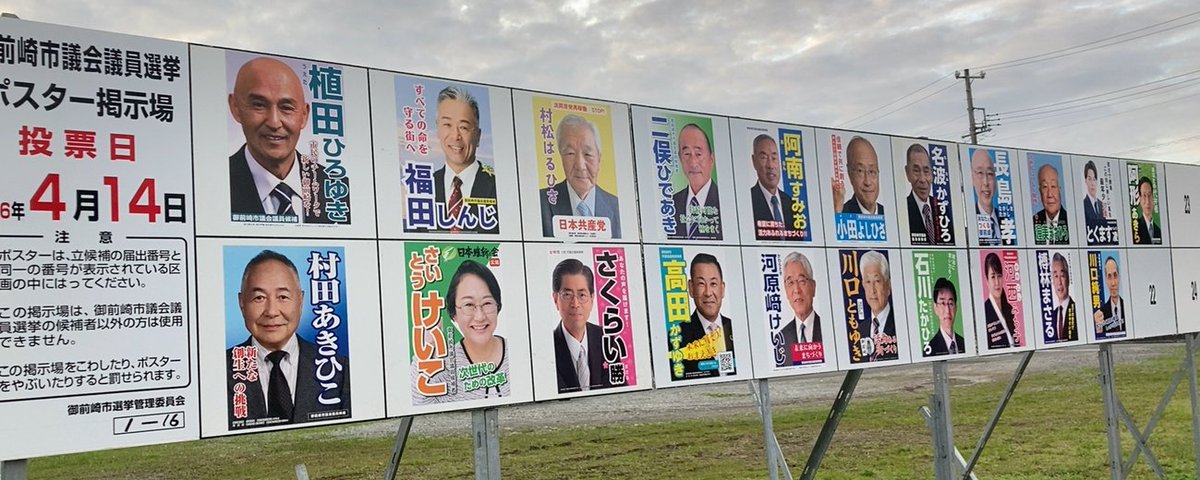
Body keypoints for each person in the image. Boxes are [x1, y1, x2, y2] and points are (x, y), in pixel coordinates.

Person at [226, 250, 350, 428]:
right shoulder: (218, 370)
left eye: (283, 297)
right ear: (242, 303)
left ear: (300, 300)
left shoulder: (339, 368)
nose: (271, 311)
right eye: (259, 298)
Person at [227, 57, 342, 224]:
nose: (274, 122)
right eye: (259, 105)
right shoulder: (213, 186)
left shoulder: (338, 189)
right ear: (235, 107)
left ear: (304, 115)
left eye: (286, 108)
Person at [412, 260, 508, 404]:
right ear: (454, 313)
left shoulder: (518, 354)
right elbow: (418, 401)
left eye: (487, 303)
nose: (480, 316)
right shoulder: (443, 365)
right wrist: (428, 346)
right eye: (468, 305)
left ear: (498, 306)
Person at [539, 115, 622, 238]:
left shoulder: (617, 206)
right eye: (570, 153)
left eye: (588, 154)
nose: (580, 165)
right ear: (561, 156)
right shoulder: (541, 202)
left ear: (599, 158)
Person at [431, 86, 497, 233]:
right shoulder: (424, 187)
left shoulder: (498, 186)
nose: (455, 136)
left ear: (478, 136)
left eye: (464, 127)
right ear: (438, 130)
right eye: (447, 125)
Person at [551, 258, 614, 393]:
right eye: (567, 295)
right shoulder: (547, 346)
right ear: (556, 299)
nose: (575, 304)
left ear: (592, 299)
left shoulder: (608, 339)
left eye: (582, 295)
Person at [678, 253, 736, 377]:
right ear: (691, 288)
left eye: (713, 284)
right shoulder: (679, 336)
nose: (708, 292)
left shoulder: (737, 329)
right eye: (701, 284)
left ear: (722, 288)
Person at [672, 124, 722, 240]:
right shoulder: (671, 204)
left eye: (698, 154)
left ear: (711, 159)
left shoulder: (725, 202)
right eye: (687, 154)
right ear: (680, 159)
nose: (693, 162)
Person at [778, 252, 821, 367]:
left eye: (802, 281)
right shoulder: (780, 338)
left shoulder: (828, 329)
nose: (796, 290)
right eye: (790, 282)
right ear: (786, 291)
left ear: (813, 286)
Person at [749, 134, 795, 237]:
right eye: (764, 157)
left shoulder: (791, 203)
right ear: (754, 161)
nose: (770, 165)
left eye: (774, 158)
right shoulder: (748, 200)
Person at [859, 251, 896, 361]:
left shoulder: (900, 324)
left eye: (877, 281)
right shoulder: (860, 330)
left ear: (888, 285)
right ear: (863, 285)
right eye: (868, 282)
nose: (873, 290)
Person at [833, 136, 884, 215]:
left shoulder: (889, 214)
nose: (867, 182)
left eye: (872, 171)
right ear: (849, 173)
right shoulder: (842, 214)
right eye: (860, 171)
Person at [903, 143, 941, 243]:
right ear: (907, 173)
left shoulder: (943, 208)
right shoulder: (903, 209)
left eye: (926, 171)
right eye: (916, 171)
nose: (922, 179)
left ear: (932, 174)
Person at [982, 253, 1018, 349]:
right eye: (993, 277)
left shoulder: (1009, 309)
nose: (997, 282)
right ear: (987, 281)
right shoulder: (984, 312)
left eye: (999, 276)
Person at [924, 278, 965, 356]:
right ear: (935, 308)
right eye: (942, 303)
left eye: (950, 303)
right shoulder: (929, 350)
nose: (947, 310)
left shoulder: (965, 344)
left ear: (956, 308)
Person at [1032, 164, 1069, 244]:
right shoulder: (1034, 222)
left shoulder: (1070, 221)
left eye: (1053, 186)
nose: (1049, 194)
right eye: (1045, 187)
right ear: (1040, 191)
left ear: (1059, 189)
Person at [971, 149, 1001, 243]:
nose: (986, 182)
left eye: (990, 174)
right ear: (972, 178)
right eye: (980, 173)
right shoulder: (970, 220)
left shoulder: (1006, 221)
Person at [1094, 256, 1127, 335]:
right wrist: (1098, 329)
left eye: (1115, 276)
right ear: (1105, 280)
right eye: (1109, 277)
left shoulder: (1127, 306)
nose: (1113, 283)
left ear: (1119, 277)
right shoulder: (1101, 313)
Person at [1050, 253, 1077, 342]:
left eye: (1062, 276)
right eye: (1056, 276)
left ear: (1068, 278)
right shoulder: (1051, 316)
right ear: (1052, 281)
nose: (1059, 282)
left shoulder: (1077, 310)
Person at [1134, 176, 1161, 244]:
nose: (1147, 201)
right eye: (1144, 195)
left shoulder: (1159, 231)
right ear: (1139, 199)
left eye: (1149, 195)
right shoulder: (1135, 228)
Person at [1083, 160, 1107, 228]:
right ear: (1085, 181)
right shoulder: (1083, 205)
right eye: (1089, 179)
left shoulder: (1102, 204)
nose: (1092, 183)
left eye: (1094, 179)